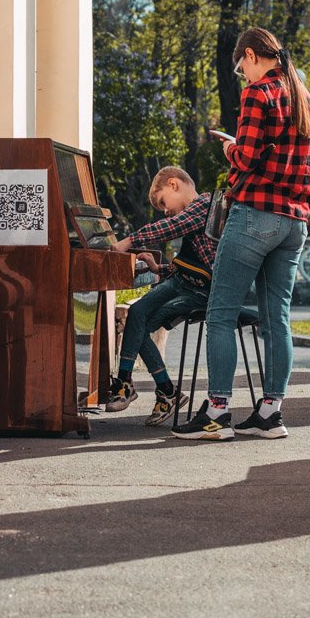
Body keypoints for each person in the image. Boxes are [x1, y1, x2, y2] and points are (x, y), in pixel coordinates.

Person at [171, 27, 310, 441]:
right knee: (277, 320)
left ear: (252, 57)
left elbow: (249, 157)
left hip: (256, 214)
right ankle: (270, 412)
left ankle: (217, 411)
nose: (244, 77)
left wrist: (231, 150)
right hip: (295, 223)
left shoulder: (260, 94)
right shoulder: (307, 100)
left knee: (220, 313)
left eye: (242, 69)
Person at [106, 166, 218, 425]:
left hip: (201, 291)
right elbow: (193, 262)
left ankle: (149, 390)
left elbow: (172, 227)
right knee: (136, 314)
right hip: (182, 280)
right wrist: (160, 269)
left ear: (174, 184)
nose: (165, 210)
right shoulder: (193, 212)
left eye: (163, 202)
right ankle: (139, 386)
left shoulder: (203, 205)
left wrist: (128, 241)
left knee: (141, 323)